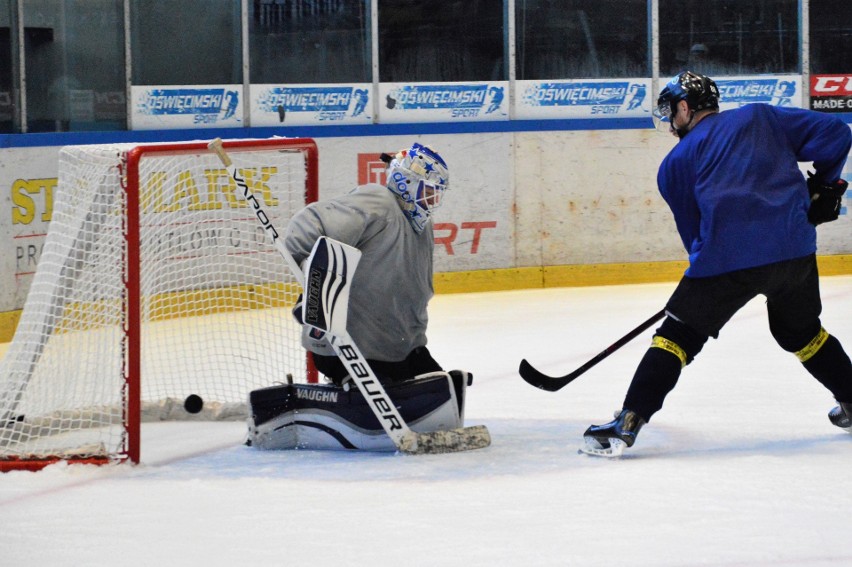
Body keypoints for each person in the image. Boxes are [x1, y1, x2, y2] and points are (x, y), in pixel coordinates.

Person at [581, 70, 852, 457]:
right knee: (803, 334)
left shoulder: (674, 164)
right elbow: (838, 134)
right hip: (795, 250)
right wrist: (827, 185)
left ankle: (627, 422)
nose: (673, 123)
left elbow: (694, 239)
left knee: (675, 338)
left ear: (685, 108)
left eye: (673, 113)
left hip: (727, 260)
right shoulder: (761, 116)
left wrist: (698, 288)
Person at [246, 142, 473, 451]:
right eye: (428, 190)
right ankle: (340, 397)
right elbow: (308, 224)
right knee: (407, 393)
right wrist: (315, 286)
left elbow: (413, 295)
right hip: (348, 347)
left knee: (441, 388)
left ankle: (387, 381)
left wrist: (417, 344)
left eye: (436, 193)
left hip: (397, 347)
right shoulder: (379, 203)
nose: (432, 200)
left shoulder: (422, 226)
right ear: (406, 182)